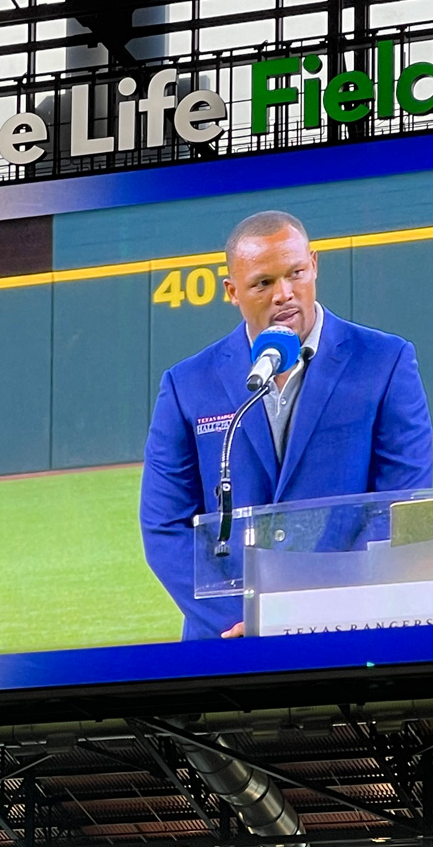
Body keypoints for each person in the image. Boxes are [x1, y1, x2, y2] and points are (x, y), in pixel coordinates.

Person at [140, 210, 433, 641]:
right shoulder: (187, 385)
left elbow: (406, 501)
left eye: (295, 273)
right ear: (232, 291)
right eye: (263, 283)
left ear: (314, 264)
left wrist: (315, 612)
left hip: (350, 629)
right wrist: (246, 621)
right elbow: (165, 526)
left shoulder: (384, 361)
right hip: (230, 641)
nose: (284, 294)